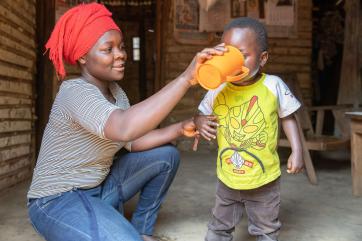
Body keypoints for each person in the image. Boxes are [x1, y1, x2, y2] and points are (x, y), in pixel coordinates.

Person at [27, 3, 226, 241]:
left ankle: (142, 230)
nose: (120, 54)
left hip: (99, 189)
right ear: (82, 56)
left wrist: (179, 128)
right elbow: (123, 128)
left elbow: (131, 141)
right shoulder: (74, 91)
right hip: (57, 200)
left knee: (166, 156)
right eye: (107, 49)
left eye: (121, 47)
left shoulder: (117, 94)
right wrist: (185, 78)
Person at [194, 17, 304, 241]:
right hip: (228, 177)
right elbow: (200, 113)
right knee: (219, 225)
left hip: (264, 179)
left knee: (266, 229)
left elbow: (289, 118)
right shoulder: (218, 87)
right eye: (228, 55)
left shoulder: (273, 85)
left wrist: (297, 150)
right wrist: (200, 122)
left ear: (262, 58)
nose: (234, 64)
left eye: (242, 56)